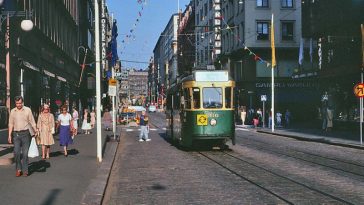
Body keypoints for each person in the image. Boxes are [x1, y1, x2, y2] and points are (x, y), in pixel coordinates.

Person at [8, 96, 37, 177]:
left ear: (22, 102)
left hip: (26, 134)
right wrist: (9, 135)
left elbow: (32, 121)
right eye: (17, 103)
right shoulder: (13, 111)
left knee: (25, 153)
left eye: (20, 103)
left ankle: (25, 170)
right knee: (16, 152)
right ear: (15, 103)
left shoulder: (27, 110)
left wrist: (36, 130)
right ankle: (18, 169)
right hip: (16, 134)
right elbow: (10, 123)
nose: (18, 105)